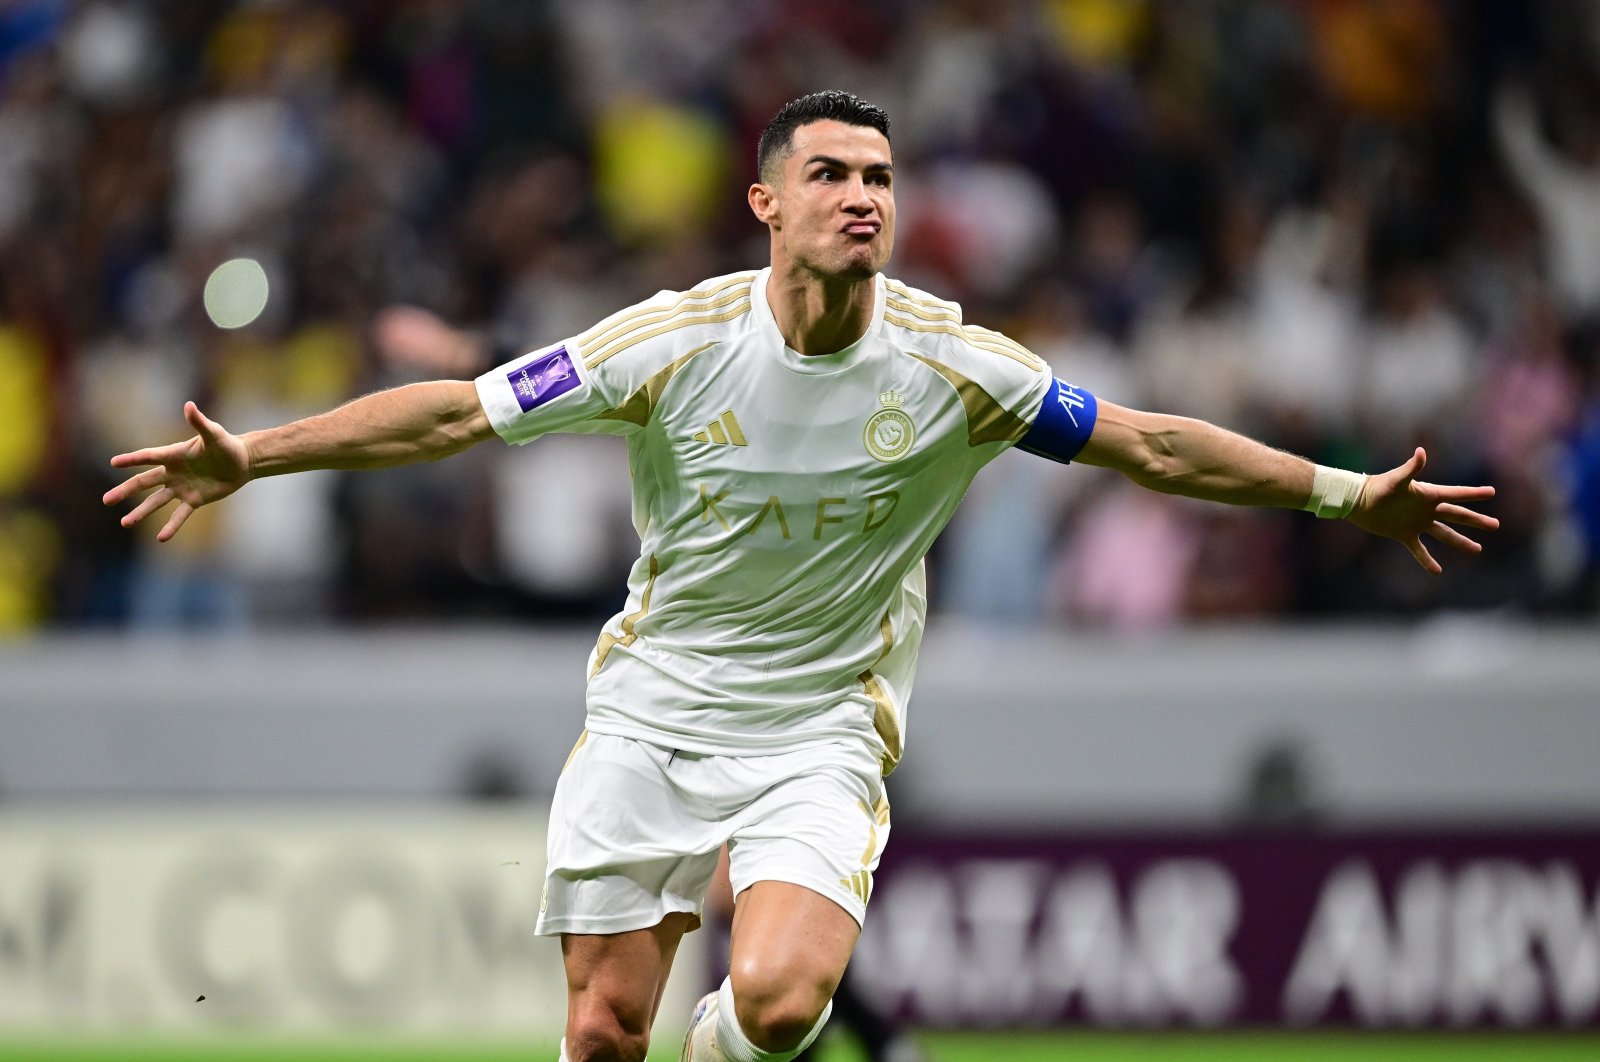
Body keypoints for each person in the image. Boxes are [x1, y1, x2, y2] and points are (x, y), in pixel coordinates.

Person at [104, 91, 1497, 1062]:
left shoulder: (957, 366)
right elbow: (459, 411)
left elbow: (1148, 444)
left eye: (881, 179)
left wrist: (1339, 491)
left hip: (822, 722)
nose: (860, 200)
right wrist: (258, 458)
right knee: (597, 1033)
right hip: (654, 707)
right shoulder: (671, 339)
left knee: (773, 1003)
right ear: (767, 201)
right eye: (830, 175)